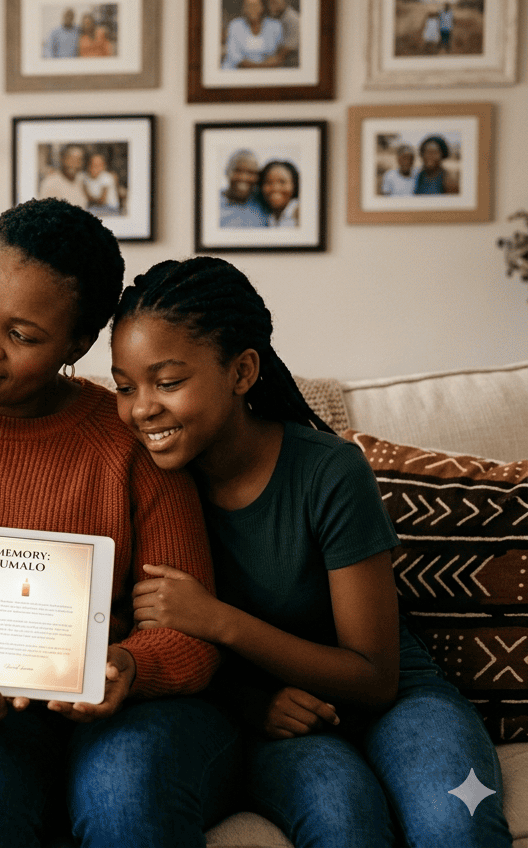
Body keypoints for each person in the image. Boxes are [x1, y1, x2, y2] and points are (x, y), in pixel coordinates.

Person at [0, 198, 236, 848]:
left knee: (125, 792)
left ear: (77, 346)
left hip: (120, 716)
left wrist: (125, 668)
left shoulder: (128, 441)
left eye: (23, 335)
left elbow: (190, 635)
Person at [112, 256, 512, 848]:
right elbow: (165, 653)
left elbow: (376, 678)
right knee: (342, 818)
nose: (141, 408)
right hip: (274, 719)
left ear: (242, 371)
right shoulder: (148, 482)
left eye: (167, 382)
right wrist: (253, 707)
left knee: (459, 825)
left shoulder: (328, 471)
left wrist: (219, 620)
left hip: (397, 700)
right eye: (124, 386)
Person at [222, 0, 285, 69]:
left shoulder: (275, 26)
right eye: (248, 6)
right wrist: (261, 66)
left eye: (255, 6)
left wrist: (264, 66)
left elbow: (277, 56)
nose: (252, 9)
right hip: (237, 71)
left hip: (266, 72)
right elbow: (234, 57)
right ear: (244, 9)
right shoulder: (235, 25)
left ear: (262, 7)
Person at [220, 149, 269, 228]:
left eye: (251, 172)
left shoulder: (264, 202)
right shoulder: (211, 203)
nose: (243, 178)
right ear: (227, 172)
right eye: (237, 170)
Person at [259, 159, 299, 227]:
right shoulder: (269, 217)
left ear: (294, 185)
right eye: (268, 182)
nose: (275, 188)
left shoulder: (299, 213)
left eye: (282, 182)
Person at [265, 0, 300, 66]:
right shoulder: (281, 17)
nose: (270, 6)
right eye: (270, 3)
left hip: (292, 62)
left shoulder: (292, 19)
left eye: (274, 2)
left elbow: (283, 53)